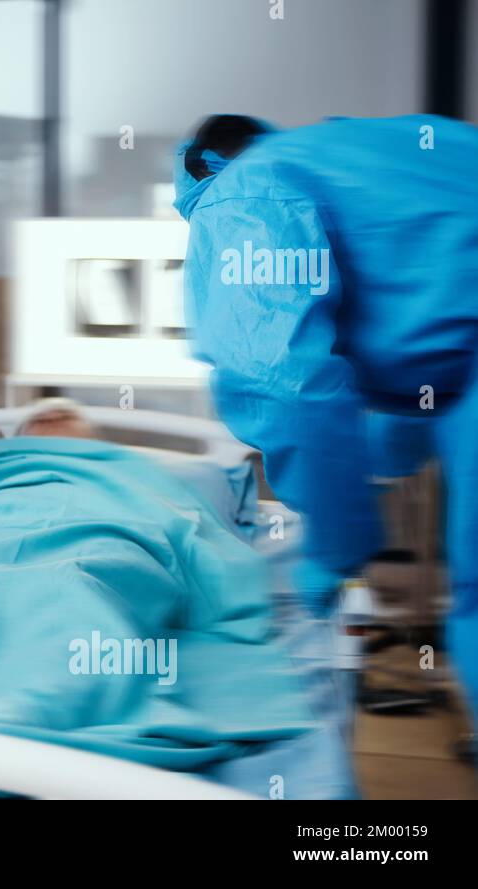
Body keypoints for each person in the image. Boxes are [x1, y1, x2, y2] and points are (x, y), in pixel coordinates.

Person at [173, 113, 478, 740]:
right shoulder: (374, 152)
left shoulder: (241, 193)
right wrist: (369, 484)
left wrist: (338, 545)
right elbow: (429, 367)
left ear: (203, 169)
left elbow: (286, 383)